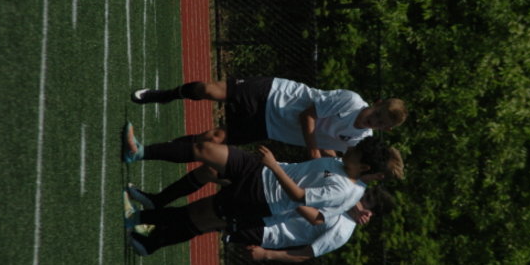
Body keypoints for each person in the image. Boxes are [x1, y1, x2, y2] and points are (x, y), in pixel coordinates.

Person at [122, 122, 400, 234]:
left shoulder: (345, 189)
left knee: (197, 214)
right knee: (205, 150)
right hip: (259, 170)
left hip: (262, 198)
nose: (350, 149)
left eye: (356, 152)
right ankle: (139, 152)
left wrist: (275, 167)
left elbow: (300, 197)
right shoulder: (343, 164)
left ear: (364, 167)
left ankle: (140, 219)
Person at [130, 76, 407, 159]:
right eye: (378, 114)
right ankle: (164, 94)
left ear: (386, 130)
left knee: (211, 140)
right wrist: (314, 152)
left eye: (381, 123)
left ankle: (158, 150)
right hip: (273, 94)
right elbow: (308, 116)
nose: (374, 121)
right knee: (209, 90)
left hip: (270, 127)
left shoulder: (361, 139)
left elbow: (334, 153)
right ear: (377, 103)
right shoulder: (351, 100)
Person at [125, 183, 394, 260]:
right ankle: (151, 235)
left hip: (266, 231)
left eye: (367, 200)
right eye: (367, 193)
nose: (362, 197)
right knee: (202, 219)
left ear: (368, 215)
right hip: (268, 212)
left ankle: (145, 224)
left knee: (204, 219)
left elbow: (307, 253)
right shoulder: (346, 195)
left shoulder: (342, 230)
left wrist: (267, 254)